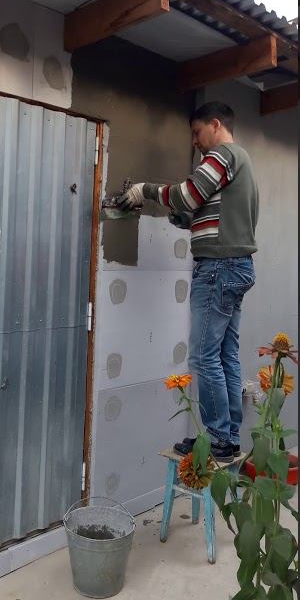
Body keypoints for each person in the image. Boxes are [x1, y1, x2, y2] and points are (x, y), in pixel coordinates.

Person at [115, 102, 260, 461]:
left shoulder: (223, 155)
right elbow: (206, 211)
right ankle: (228, 437)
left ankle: (217, 438)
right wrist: (183, 218)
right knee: (224, 354)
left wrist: (146, 190)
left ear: (215, 125)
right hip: (235, 267)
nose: (194, 141)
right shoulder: (241, 162)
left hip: (218, 268)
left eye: (197, 132)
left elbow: (188, 195)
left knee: (203, 355)